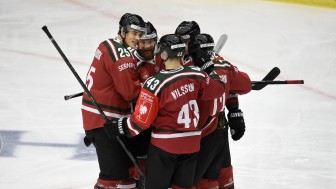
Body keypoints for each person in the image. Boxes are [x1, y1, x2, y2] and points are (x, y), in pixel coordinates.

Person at [103, 34, 226, 189]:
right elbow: (219, 89)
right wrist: (209, 68)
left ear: (164, 54)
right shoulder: (197, 74)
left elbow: (139, 123)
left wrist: (118, 126)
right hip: (192, 145)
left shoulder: (155, 83)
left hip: (165, 147)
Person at [81, 13, 147, 189]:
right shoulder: (122, 57)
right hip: (106, 121)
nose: (137, 38)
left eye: (140, 34)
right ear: (123, 31)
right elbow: (131, 93)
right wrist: (153, 87)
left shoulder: (106, 44)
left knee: (127, 172)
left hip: (99, 117)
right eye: (134, 33)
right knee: (112, 175)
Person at [188, 33, 252, 189]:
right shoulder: (224, 66)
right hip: (219, 129)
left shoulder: (188, 70)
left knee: (198, 180)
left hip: (202, 132)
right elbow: (246, 85)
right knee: (219, 175)